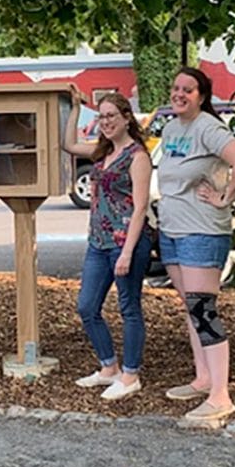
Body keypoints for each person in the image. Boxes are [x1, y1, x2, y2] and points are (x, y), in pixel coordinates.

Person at [157, 66, 235, 425]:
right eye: (176, 87)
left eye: (189, 89)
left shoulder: (209, 127)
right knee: (189, 306)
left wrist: (225, 196)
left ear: (202, 96)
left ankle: (220, 395)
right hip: (172, 230)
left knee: (203, 308)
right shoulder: (171, 129)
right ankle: (203, 379)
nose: (180, 94)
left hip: (201, 231)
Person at [62, 90, 154, 401]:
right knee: (87, 307)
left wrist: (127, 252)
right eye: (101, 117)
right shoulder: (103, 152)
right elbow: (69, 145)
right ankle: (108, 367)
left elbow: (140, 207)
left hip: (125, 243)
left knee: (129, 307)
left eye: (111, 116)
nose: (105, 122)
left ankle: (131, 375)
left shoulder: (138, 156)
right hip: (98, 243)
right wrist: (76, 107)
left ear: (127, 118)